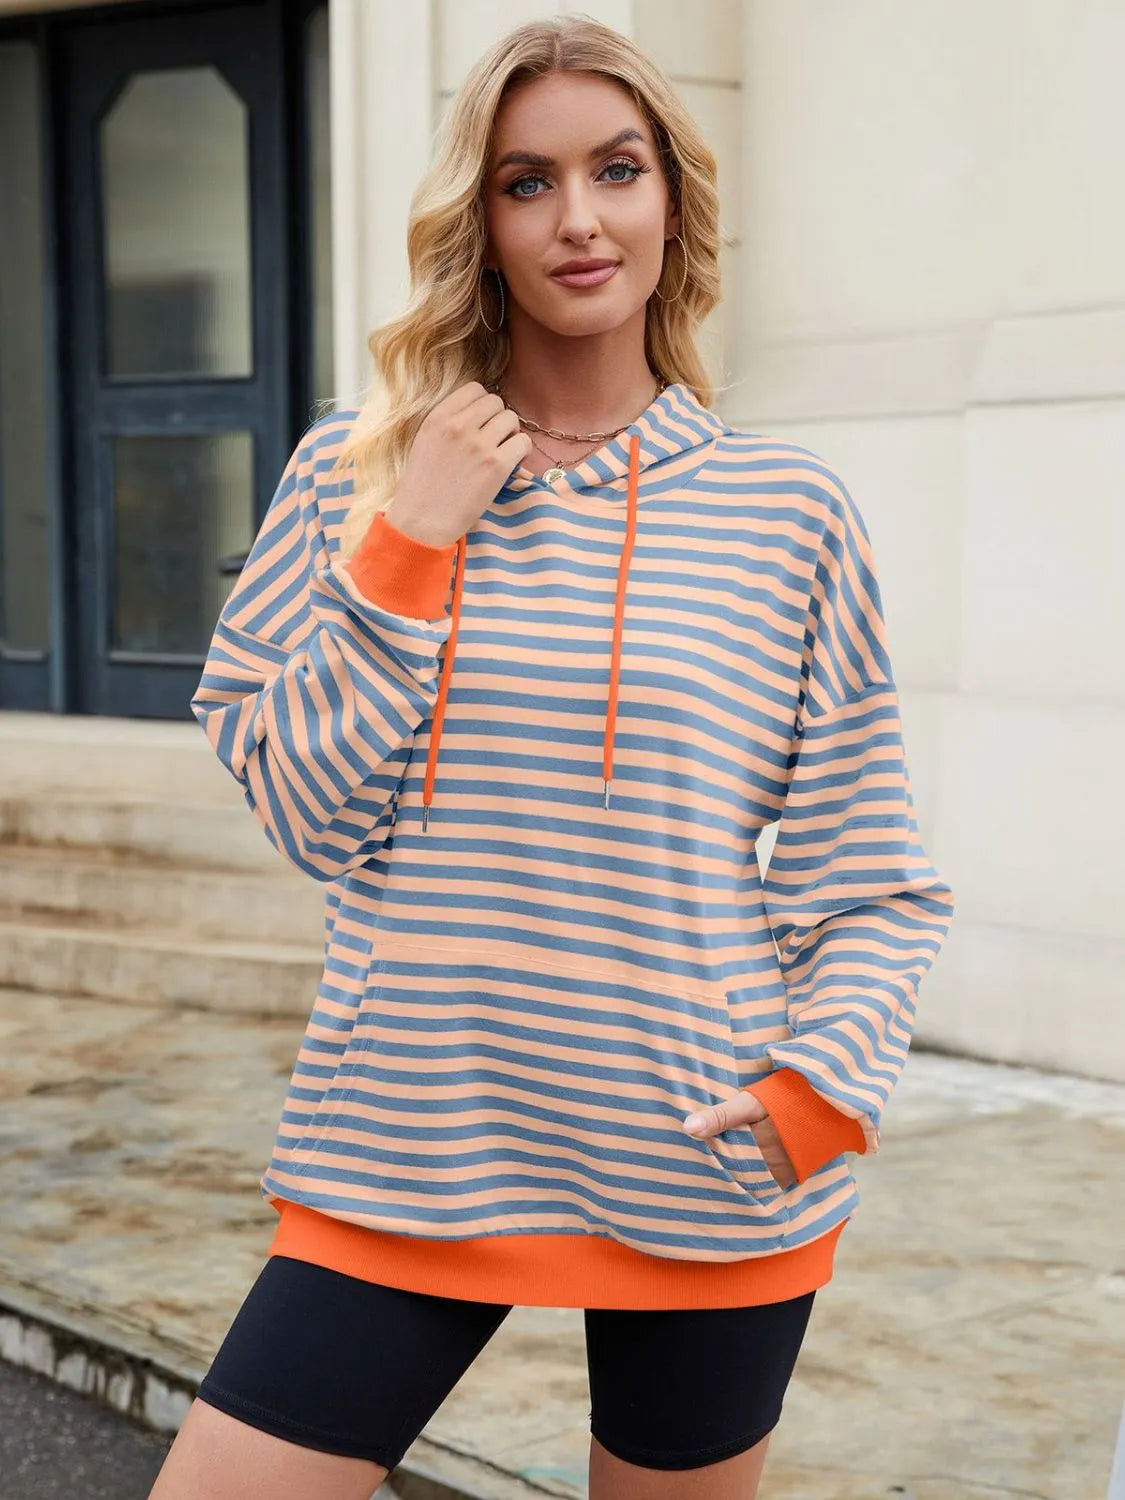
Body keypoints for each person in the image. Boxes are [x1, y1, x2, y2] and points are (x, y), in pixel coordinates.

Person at [149, 16, 955, 1500]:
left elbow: (871, 873)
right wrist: (413, 538)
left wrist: (820, 1088)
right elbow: (306, 811)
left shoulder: (788, 511)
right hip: (402, 1144)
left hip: (701, 1160)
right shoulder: (352, 473)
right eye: (528, 182)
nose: (579, 218)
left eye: (616, 170)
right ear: (483, 221)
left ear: (672, 204)